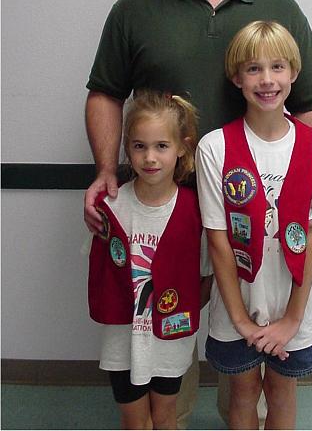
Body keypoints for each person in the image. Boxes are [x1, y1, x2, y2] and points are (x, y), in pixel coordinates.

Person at [84, 0, 312, 427]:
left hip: (253, 219)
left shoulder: (280, 8)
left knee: (242, 378)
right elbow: (104, 92)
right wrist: (107, 169)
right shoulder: (136, 9)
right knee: (170, 360)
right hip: (163, 215)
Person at [196, 21, 312, 430]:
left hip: (292, 302)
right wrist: (239, 320)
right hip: (235, 304)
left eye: (277, 67)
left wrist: (291, 320)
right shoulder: (215, 147)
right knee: (242, 392)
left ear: (293, 73)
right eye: (254, 69)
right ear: (236, 77)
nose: (267, 80)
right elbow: (219, 242)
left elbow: (310, 238)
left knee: (281, 391)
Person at [88, 90, 211, 430]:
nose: (150, 158)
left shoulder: (193, 208)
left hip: (170, 337)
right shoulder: (112, 206)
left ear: (182, 147)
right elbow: (100, 271)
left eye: (161, 146)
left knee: (165, 417)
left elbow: (205, 277)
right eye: (139, 146)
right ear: (127, 148)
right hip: (123, 337)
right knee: (134, 420)